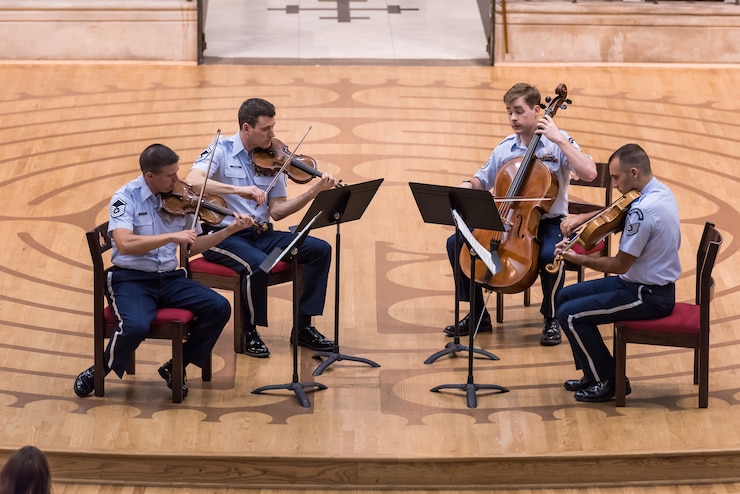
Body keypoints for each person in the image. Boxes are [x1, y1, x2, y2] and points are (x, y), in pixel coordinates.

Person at [73, 144, 254, 399]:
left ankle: (176, 367)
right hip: (130, 280)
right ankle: (98, 370)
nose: (178, 180)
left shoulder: (182, 199)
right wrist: (170, 236)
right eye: (171, 176)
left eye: (177, 173)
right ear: (150, 176)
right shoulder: (126, 198)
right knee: (135, 326)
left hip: (170, 279)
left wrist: (228, 231)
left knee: (219, 307)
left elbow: (193, 247)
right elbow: (124, 244)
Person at [444, 82, 597, 345]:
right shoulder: (505, 148)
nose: (513, 118)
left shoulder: (556, 143)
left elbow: (589, 173)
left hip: (551, 222)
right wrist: (466, 186)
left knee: (552, 253)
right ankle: (477, 312)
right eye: (509, 112)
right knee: (455, 242)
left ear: (537, 110)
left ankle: (551, 317)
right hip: (507, 220)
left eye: (518, 111)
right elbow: (482, 180)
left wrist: (558, 137)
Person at [185, 98, 339, 358]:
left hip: (261, 233)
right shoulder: (220, 150)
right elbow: (193, 181)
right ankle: (248, 331)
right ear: (247, 128)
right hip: (224, 236)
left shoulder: (272, 158)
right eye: (266, 129)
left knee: (319, 249)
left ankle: (302, 327)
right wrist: (239, 190)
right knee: (260, 264)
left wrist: (313, 192)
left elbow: (277, 211)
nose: (273, 134)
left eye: (273, 126)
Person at [554, 143, 681, 402]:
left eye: (616, 178)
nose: (614, 185)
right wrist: (582, 219)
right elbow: (618, 211)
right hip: (636, 284)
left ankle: (611, 380)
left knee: (570, 315)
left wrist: (578, 258)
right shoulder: (659, 191)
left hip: (648, 296)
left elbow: (619, 265)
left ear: (633, 173)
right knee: (564, 297)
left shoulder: (644, 211)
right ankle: (593, 372)